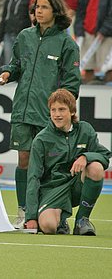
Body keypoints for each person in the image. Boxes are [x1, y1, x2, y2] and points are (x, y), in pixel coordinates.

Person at [0, 0, 81, 229]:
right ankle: (24, 211)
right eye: (36, 7)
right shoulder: (24, 36)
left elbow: (71, 83)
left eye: (44, 7)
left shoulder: (67, 43)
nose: (39, 11)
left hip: (49, 116)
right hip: (23, 110)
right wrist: (7, 72)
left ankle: (54, 212)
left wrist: (62, 113)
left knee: (50, 166)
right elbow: (16, 64)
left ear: (55, 11)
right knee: (23, 160)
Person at [25, 89, 111, 235]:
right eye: (53, 110)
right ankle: (60, 222)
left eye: (62, 109)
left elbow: (104, 155)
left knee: (96, 167)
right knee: (48, 226)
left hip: (76, 185)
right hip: (52, 190)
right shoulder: (41, 139)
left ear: (72, 111)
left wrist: (85, 157)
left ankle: (82, 221)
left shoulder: (85, 129)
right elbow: (33, 177)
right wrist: (31, 217)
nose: (57, 114)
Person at [74, 0, 112, 84]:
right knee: (87, 65)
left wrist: (105, 29)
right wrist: (79, 29)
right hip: (87, 31)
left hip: (105, 34)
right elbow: (80, 10)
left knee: (107, 67)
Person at [0, 0, 33, 66]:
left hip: (23, 34)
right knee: (9, 61)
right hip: (8, 33)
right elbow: (4, 17)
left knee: (22, 61)